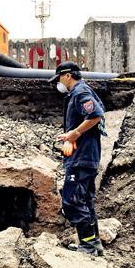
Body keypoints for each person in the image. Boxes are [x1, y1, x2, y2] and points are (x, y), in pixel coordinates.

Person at [48, 61, 107, 256]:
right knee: (85, 200)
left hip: (82, 158)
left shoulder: (80, 92)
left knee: (72, 201)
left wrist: (74, 133)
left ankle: (88, 246)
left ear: (67, 75)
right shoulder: (78, 92)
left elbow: (95, 115)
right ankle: (94, 243)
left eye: (59, 78)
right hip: (84, 156)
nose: (59, 83)